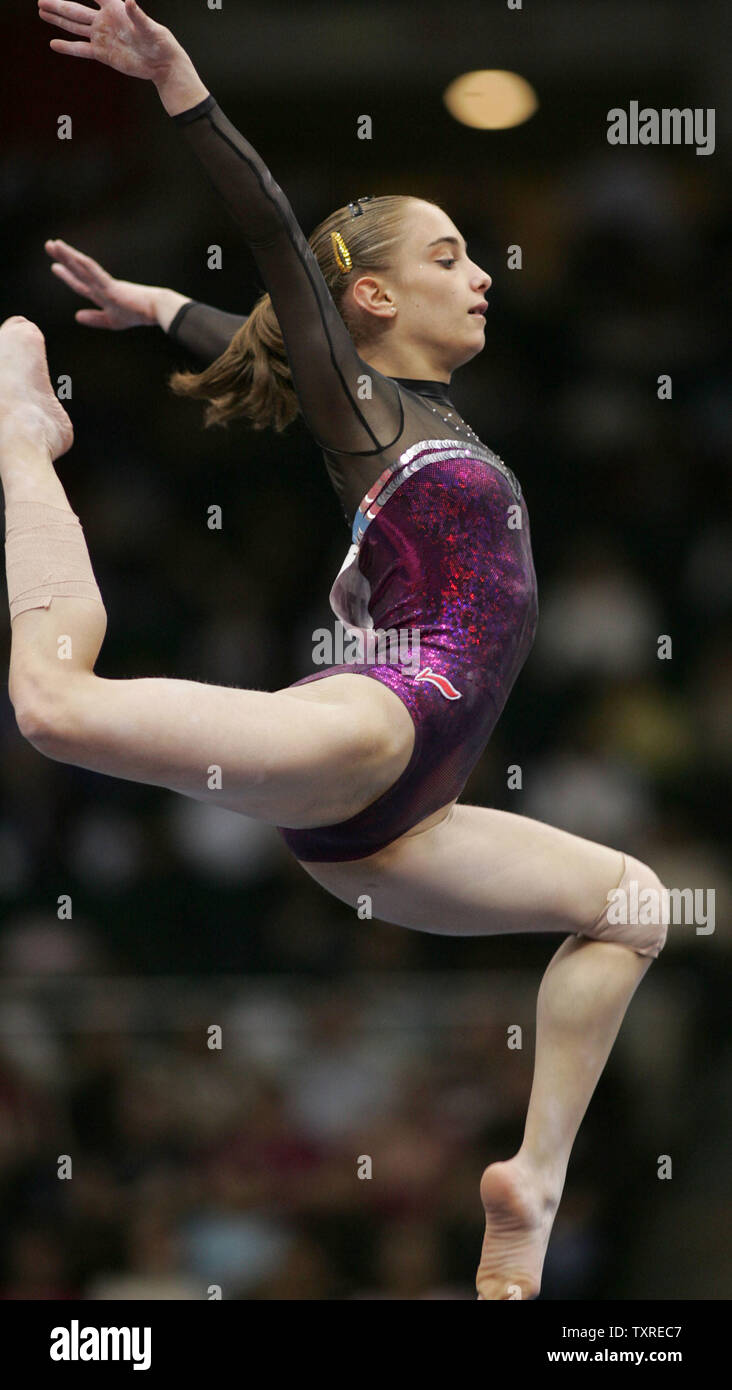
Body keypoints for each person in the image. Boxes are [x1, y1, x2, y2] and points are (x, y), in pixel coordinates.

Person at [0, 0, 669, 1298]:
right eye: (450, 253)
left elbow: (275, 340)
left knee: (634, 905)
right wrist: (180, 81)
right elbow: (280, 256)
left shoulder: (414, 418)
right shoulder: (376, 417)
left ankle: (531, 1180)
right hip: (380, 717)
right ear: (369, 291)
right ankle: (24, 446)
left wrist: (173, 313)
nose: (483, 273)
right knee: (51, 706)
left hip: (401, 821)